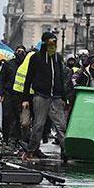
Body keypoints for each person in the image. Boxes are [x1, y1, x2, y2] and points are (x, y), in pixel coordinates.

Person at [21, 32, 67, 160]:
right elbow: (28, 78)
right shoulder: (36, 57)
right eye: (50, 42)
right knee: (38, 125)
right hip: (41, 95)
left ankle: (66, 150)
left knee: (61, 125)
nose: (53, 45)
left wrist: (64, 97)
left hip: (56, 97)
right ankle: (31, 150)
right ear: (45, 42)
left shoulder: (58, 57)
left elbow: (60, 78)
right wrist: (25, 98)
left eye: (54, 42)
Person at [0, 45, 26, 146]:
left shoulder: (26, 65)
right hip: (8, 93)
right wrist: (0, 92)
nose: (20, 53)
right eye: (18, 51)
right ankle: (5, 137)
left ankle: (15, 138)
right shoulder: (8, 64)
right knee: (6, 115)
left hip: (20, 94)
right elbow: (1, 78)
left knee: (17, 117)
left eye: (22, 51)